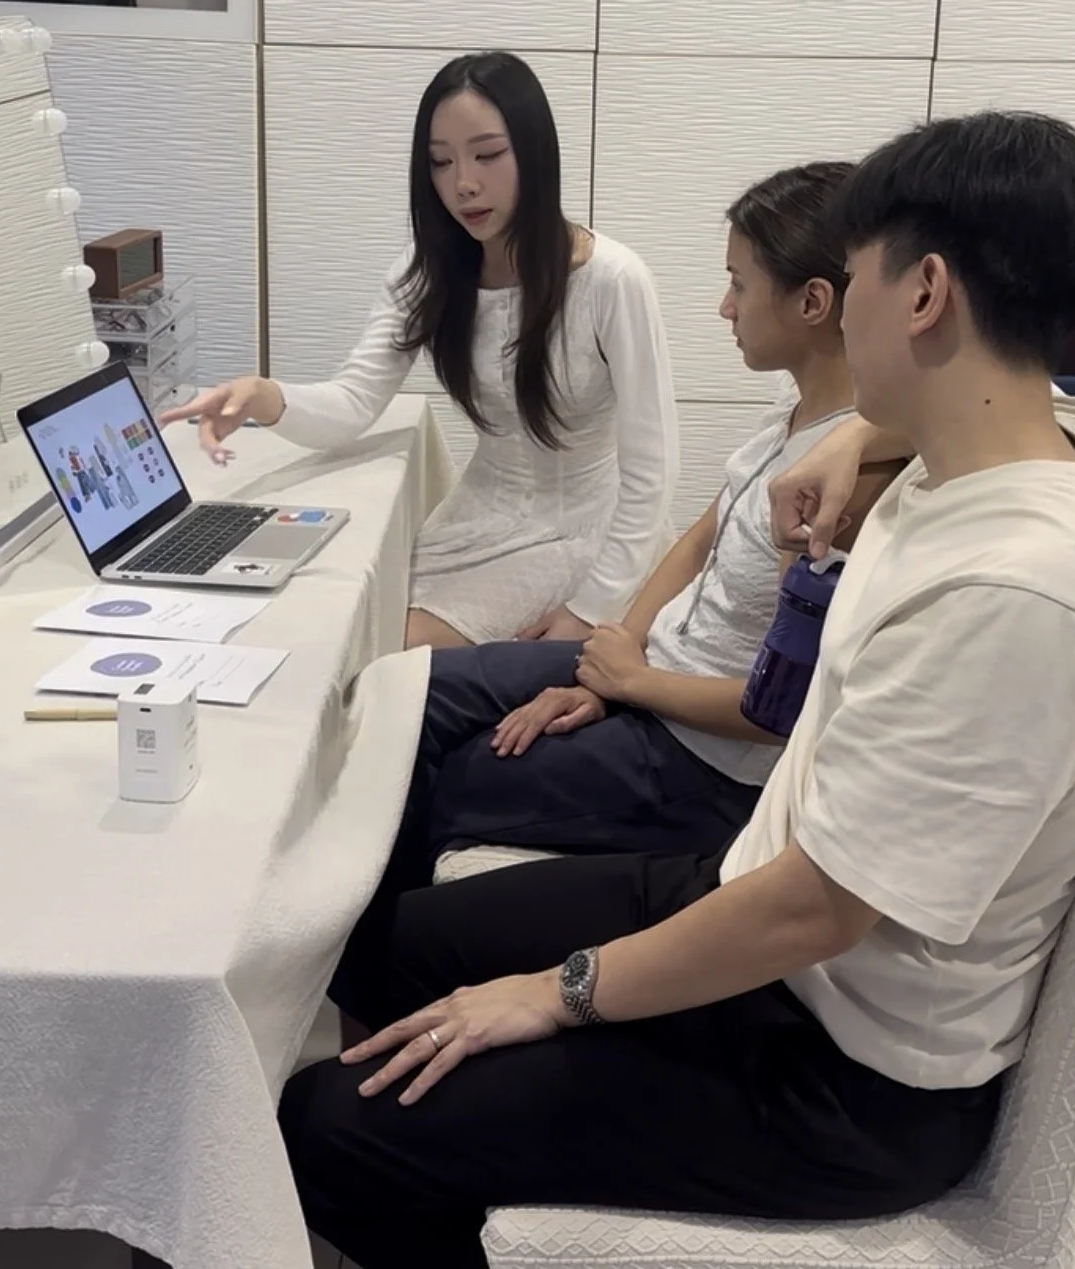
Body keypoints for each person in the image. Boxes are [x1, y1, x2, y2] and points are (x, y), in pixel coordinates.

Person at [279, 111, 1075, 1269]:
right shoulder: (1007, 458)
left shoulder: (1022, 596)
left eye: (864, 271)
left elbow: (823, 910)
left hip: (843, 1069)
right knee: (373, 939)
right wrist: (860, 440)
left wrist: (559, 992)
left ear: (923, 291)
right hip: (758, 901)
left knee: (328, 1127)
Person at [365, 161, 902, 900]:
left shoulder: (851, 481)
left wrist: (634, 685)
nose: (723, 307)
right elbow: (697, 539)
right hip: (654, 673)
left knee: (443, 782)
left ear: (812, 301)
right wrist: (614, 656)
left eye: (739, 285)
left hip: (703, 762)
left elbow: (787, 707)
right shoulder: (802, 415)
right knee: (408, 690)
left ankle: (389, 964)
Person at [164, 52, 678, 648]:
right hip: (477, 517)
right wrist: (264, 397)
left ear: (534, 152)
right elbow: (355, 401)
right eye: (441, 162)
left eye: (488, 155)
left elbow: (652, 470)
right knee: (338, 619)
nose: (463, 182)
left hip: (582, 533)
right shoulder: (428, 271)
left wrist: (590, 609)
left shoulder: (612, 279)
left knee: (394, 649)